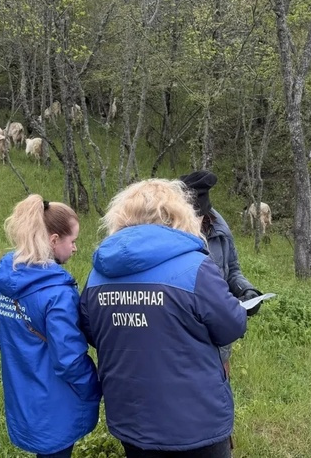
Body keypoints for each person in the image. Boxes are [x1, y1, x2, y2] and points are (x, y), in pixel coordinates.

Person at [80, 179, 247, 457]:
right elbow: (231, 326)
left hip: (132, 419)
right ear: (177, 215)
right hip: (196, 421)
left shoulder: (98, 275)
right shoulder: (194, 267)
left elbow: (92, 330)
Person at [0, 194, 101, 458]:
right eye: (72, 241)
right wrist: (93, 388)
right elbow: (69, 359)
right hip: (56, 400)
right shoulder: (57, 294)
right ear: (54, 240)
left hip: (21, 391)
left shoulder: (2, 279)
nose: (75, 249)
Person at [179, 170, 264, 378]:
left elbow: (232, 269)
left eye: (200, 216)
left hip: (218, 342)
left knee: (219, 400)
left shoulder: (219, 229)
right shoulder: (170, 237)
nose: (196, 222)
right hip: (183, 343)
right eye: (192, 216)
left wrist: (246, 290)